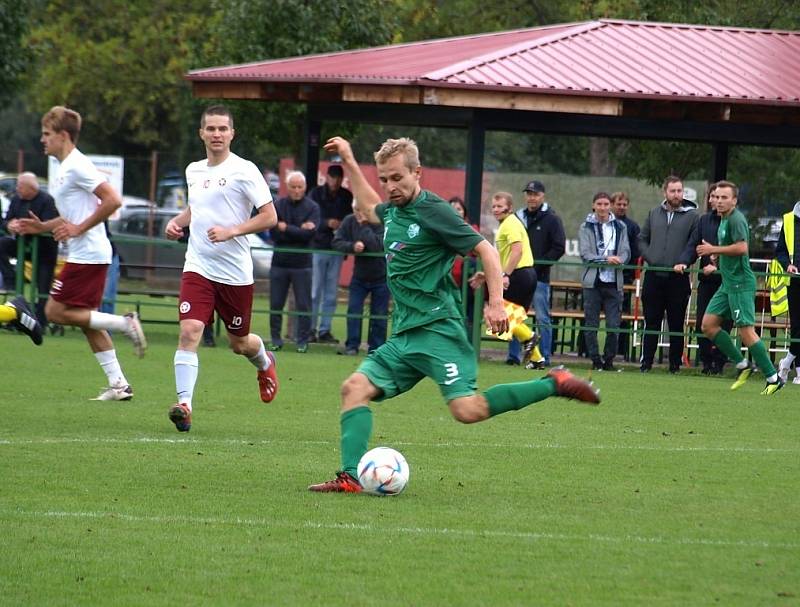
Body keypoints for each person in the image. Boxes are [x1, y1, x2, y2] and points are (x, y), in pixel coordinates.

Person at [308, 136, 599, 494]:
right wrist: (350, 160)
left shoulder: (434, 211)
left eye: (398, 177)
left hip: (438, 332)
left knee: (467, 410)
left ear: (418, 173)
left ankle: (553, 383)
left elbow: (486, 251)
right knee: (353, 389)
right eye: (385, 179)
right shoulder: (394, 211)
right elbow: (369, 207)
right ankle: (351, 477)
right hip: (405, 335)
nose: (390, 186)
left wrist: (495, 302)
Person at [18, 106, 147, 401]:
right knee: (85, 321)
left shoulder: (78, 165)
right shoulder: (65, 169)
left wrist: (78, 229)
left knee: (54, 311)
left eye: (47, 134)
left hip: (88, 254)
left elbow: (112, 200)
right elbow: (73, 215)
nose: (42, 139)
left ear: (63, 136)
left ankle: (125, 323)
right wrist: (42, 226)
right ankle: (119, 385)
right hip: (86, 253)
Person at [164, 104, 279, 432]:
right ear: (201, 133)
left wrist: (232, 231)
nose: (216, 134)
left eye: (222, 129)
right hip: (198, 265)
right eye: (210, 129)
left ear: (232, 133)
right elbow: (196, 207)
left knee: (239, 343)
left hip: (234, 273)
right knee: (189, 332)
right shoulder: (194, 171)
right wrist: (178, 221)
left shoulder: (245, 170)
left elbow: (269, 216)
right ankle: (184, 405)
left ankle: (265, 361)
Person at [696, 181, 783, 395]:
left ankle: (773, 377)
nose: (719, 201)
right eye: (716, 197)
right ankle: (742, 364)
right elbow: (730, 249)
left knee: (746, 331)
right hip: (727, 283)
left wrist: (712, 249)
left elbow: (742, 248)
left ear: (734, 200)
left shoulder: (736, 219)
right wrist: (716, 260)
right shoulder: (724, 220)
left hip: (740, 284)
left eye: (724, 197)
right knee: (708, 326)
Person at [472, 191, 543, 367]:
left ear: (509, 208)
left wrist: (505, 275)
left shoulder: (510, 224)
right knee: (510, 320)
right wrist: (490, 274)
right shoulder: (509, 223)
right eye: (494, 206)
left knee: (496, 314)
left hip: (519, 274)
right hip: (525, 274)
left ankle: (530, 337)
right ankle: (537, 359)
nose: (496, 209)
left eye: (500, 206)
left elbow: (517, 251)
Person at [637, 175, 698, 373]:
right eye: (672, 191)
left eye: (679, 190)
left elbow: (693, 244)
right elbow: (642, 239)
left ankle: (674, 365)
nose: (676, 194)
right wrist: (650, 257)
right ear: (665, 192)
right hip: (654, 275)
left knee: (676, 323)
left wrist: (684, 261)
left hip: (678, 277)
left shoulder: (692, 216)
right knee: (652, 322)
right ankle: (646, 363)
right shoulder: (654, 213)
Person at [675, 183, 731, 374]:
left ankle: (720, 363)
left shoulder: (735, 221)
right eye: (712, 197)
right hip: (706, 282)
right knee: (702, 323)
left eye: (719, 197)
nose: (714, 200)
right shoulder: (703, 221)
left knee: (724, 323)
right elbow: (693, 246)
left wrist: (717, 267)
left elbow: (738, 251)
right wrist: (683, 261)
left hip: (728, 282)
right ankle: (706, 363)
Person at [512, 179, 566, 367]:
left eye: (535, 194)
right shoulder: (518, 217)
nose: (531, 197)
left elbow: (559, 247)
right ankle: (514, 356)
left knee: (542, 317)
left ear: (543, 196)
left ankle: (544, 356)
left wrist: (538, 266)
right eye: (529, 193)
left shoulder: (552, 218)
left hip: (540, 277)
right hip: (518, 276)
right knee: (515, 315)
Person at [578, 192, 630, 371]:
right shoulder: (586, 227)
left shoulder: (620, 226)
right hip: (593, 282)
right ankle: (595, 360)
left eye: (606, 204)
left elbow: (626, 252)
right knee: (591, 324)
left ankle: (609, 361)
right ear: (594, 205)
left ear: (611, 206)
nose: (602, 207)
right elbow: (585, 254)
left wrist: (620, 260)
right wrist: (606, 259)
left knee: (613, 325)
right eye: (599, 204)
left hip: (614, 282)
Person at [269, 170, 320, 353]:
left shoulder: (313, 207)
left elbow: (309, 234)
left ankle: (302, 341)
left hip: (303, 264)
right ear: (287, 187)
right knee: (275, 303)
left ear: (305, 188)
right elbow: (274, 233)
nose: (296, 190)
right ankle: (275, 339)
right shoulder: (278, 205)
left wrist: (286, 228)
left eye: (300, 187)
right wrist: (298, 229)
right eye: (293, 187)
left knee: (304, 304)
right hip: (279, 263)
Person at [0, 172, 59, 323]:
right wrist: (10, 225)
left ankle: (40, 321)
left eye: (20, 186)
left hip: (45, 251)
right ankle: (10, 279)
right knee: (2, 244)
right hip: (21, 244)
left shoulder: (47, 200)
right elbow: (6, 221)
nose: (17, 189)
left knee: (43, 287)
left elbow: (49, 224)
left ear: (31, 188)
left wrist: (33, 226)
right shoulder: (16, 200)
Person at [332, 201, 389, 355]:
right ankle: (352, 346)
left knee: (379, 314)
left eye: (361, 210)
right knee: (354, 311)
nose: (358, 213)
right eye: (356, 210)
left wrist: (364, 226)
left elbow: (378, 245)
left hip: (381, 276)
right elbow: (337, 242)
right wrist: (352, 246)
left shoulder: (380, 221)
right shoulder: (349, 220)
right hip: (359, 276)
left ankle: (376, 349)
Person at [309, 164, 353, 344]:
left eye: (338, 178)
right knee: (314, 291)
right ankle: (310, 328)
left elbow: (350, 221)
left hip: (336, 248)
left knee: (330, 293)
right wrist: (328, 223)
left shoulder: (346, 196)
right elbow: (311, 219)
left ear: (342, 179)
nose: (335, 181)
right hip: (318, 246)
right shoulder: (316, 194)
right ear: (326, 177)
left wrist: (340, 226)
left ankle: (325, 329)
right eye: (332, 177)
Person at [610, 191, 640, 360]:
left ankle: (622, 351)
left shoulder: (633, 227)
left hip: (625, 277)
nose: (621, 207)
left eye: (624, 204)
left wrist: (636, 273)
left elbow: (636, 253)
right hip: (602, 274)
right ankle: (585, 349)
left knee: (623, 315)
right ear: (612, 204)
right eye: (618, 204)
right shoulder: (605, 224)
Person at [774, 200, 800, 384]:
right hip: (795, 279)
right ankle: (797, 368)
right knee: (797, 325)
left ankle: (787, 361)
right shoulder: (789, 219)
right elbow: (781, 250)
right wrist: (787, 265)